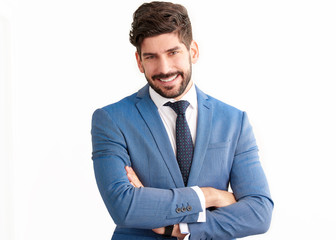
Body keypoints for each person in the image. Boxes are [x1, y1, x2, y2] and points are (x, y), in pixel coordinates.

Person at [91, 2, 273, 239]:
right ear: (139, 61)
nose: (164, 68)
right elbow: (124, 207)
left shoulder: (234, 121)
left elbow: (259, 212)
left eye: (173, 52)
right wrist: (210, 196)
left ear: (193, 51)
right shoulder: (111, 120)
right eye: (151, 57)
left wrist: (179, 229)